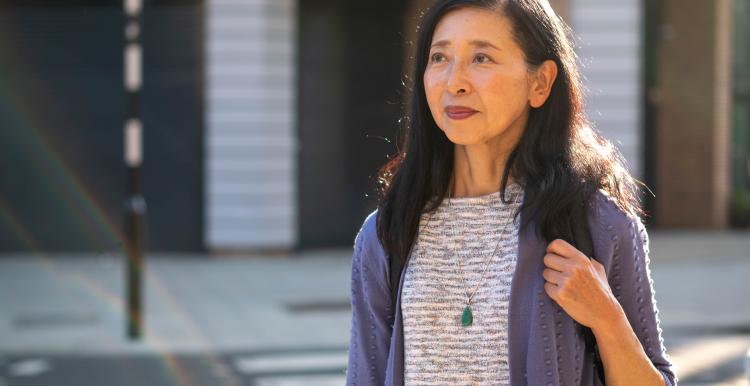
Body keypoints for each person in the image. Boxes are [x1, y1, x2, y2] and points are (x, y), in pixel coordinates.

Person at [345, 0, 677, 385]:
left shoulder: (598, 225)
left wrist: (606, 318)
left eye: (482, 58)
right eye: (439, 58)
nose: (455, 81)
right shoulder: (387, 233)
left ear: (541, 83)